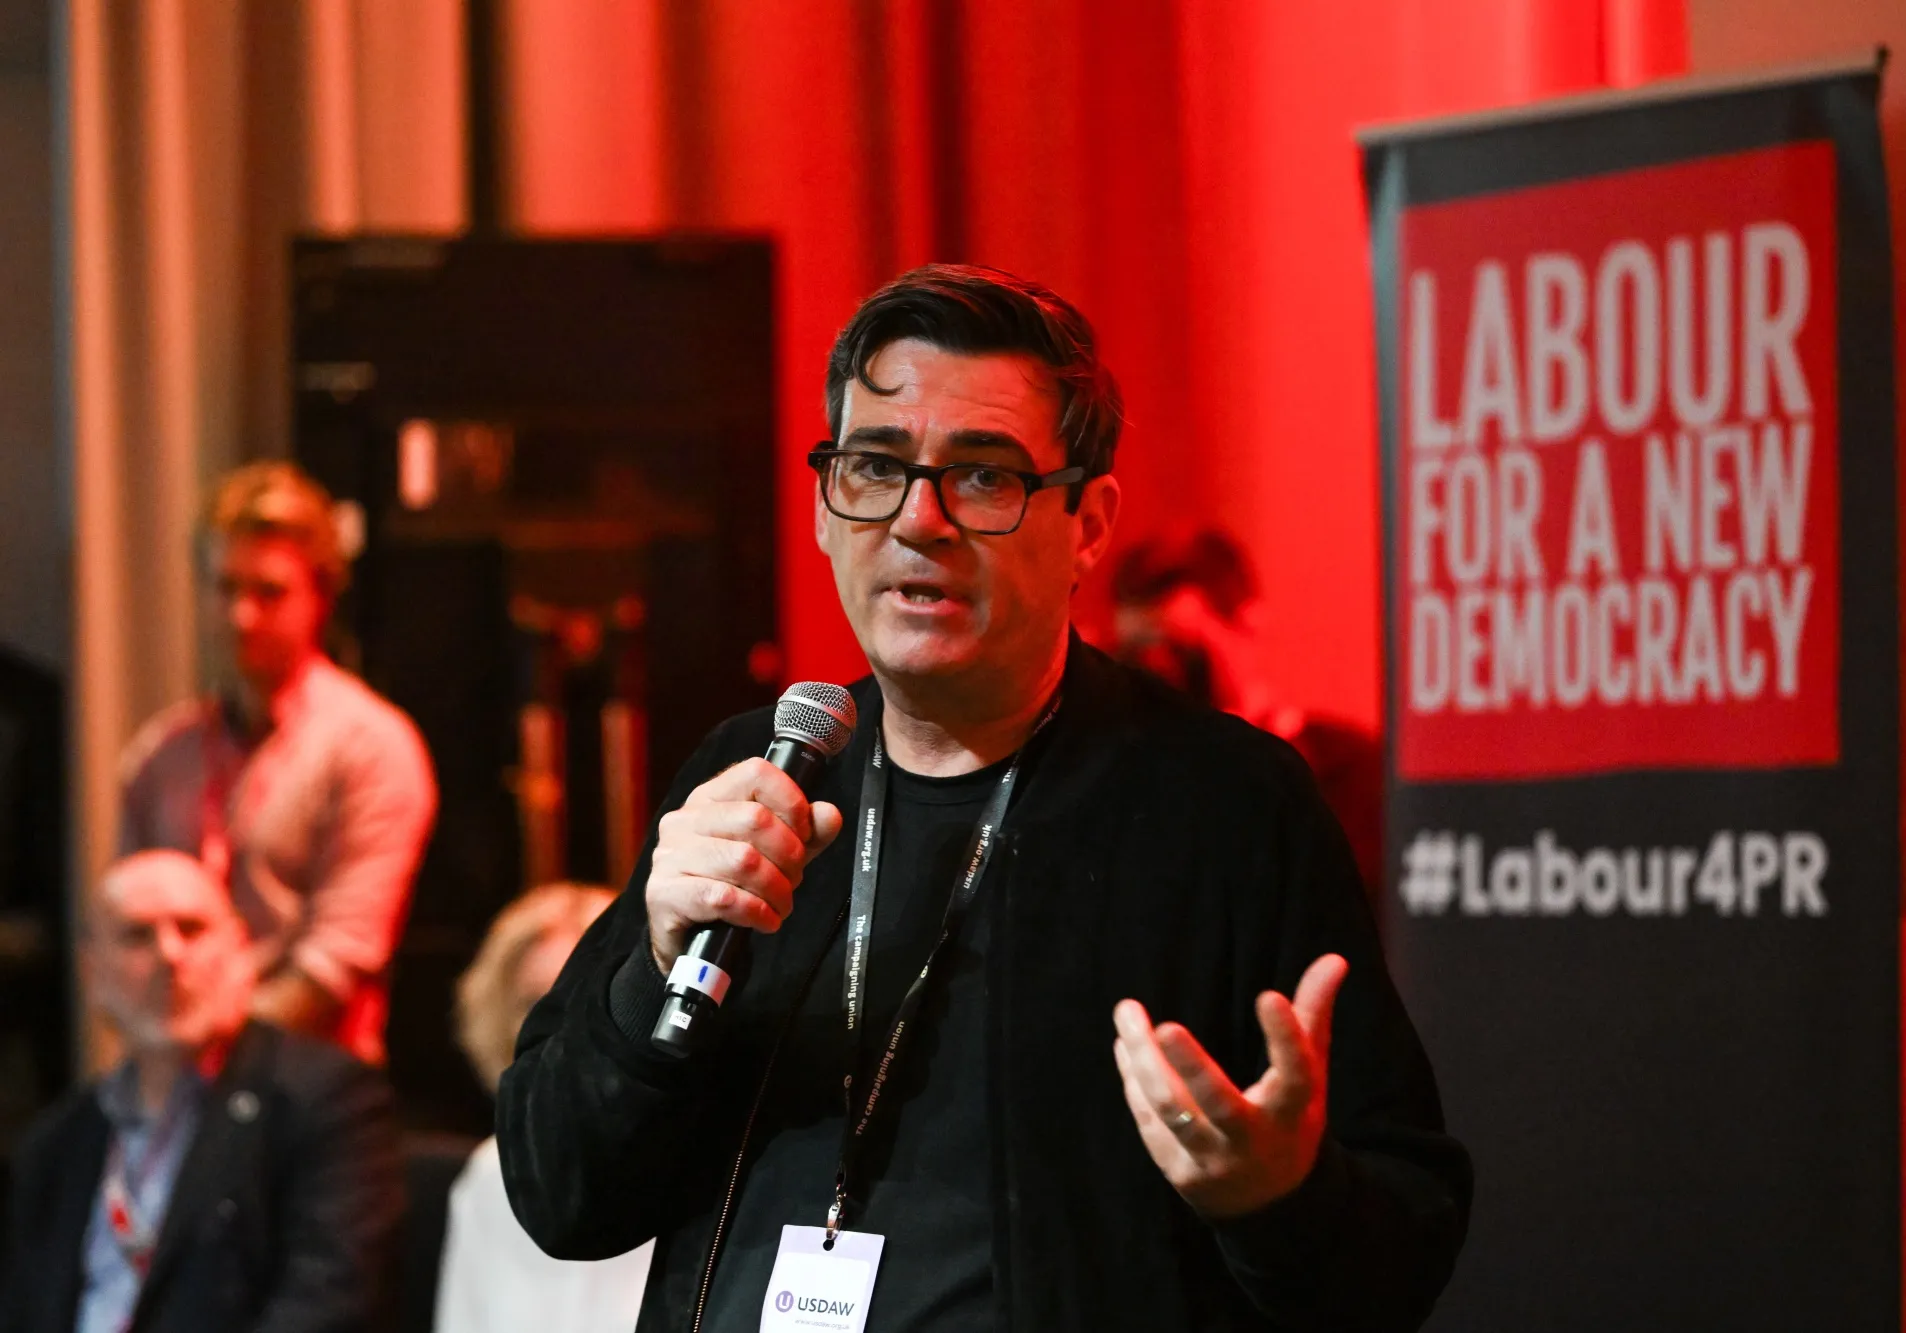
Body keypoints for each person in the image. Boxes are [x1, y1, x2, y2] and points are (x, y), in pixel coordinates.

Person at [497, 265, 1471, 1331]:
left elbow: (1402, 1240)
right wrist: (653, 965)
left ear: (1089, 522)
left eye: (983, 477)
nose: (919, 520)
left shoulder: (1222, 806)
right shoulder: (758, 774)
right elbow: (561, 1194)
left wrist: (1276, 1198)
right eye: (876, 466)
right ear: (824, 505)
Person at [0, 851, 402, 1333]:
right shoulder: (58, 1144)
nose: (169, 955)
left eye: (192, 930)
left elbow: (327, 1307)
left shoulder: (325, 1101)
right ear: (92, 969)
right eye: (137, 936)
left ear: (240, 947)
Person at [118, 461, 437, 1065]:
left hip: (309, 1089)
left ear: (321, 597)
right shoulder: (161, 755)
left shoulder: (371, 747)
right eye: (225, 588)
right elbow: (125, 935)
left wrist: (200, 1042)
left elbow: (333, 969)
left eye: (269, 592)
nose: (242, 616)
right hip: (177, 1078)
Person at [1108, 527, 1386, 900]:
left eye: (1182, 651)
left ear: (1248, 625)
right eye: (1137, 655)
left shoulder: (1350, 774)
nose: (1161, 674)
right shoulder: (1119, 782)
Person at [434, 883, 652, 1333]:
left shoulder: (689, 1167)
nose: (555, 1027)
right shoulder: (490, 1173)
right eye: (534, 1004)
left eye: (583, 999)